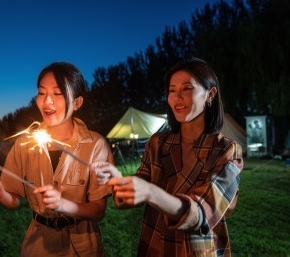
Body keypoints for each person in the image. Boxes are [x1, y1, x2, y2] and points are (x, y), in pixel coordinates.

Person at [91, 57, 243, 256]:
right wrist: (117, 180)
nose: (177, 97)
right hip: (155, 244)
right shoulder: (158, 143)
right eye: (172, 90)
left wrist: (150, 193)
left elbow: (201, 214)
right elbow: (139, 184)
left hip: (198, 250)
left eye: (187, 88)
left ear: (210, 94)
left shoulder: (227, 151)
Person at [0, 62, 113, 256]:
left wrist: (63, 204)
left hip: (83, 246)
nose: (47, 101)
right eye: (41, 93)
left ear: (77, 103)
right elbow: (13, 199)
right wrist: (1, 194)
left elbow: (98, 211)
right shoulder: (25, 144)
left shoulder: (95, 145)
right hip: (38, 245)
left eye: (57, 94)